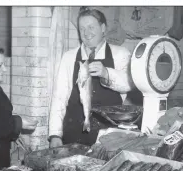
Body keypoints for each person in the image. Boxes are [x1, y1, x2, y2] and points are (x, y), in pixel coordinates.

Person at [49, 8, 134, 147]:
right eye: (82, 29)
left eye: (91, 27)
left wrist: (106, 73)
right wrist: (55, 134)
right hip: (74, 134)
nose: (86, 33)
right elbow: (59, 98)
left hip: (109, 136)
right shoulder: (69, 57)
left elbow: (130, 84)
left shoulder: (120, 54)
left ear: (103, 28)